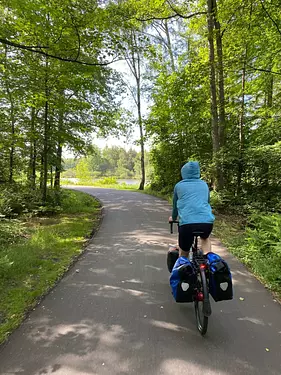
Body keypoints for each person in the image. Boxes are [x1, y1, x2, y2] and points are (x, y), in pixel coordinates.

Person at [169, 161, 215, 257]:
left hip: (187, 225)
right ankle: (209, 262)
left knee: (184, 252)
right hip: (206, 223)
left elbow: (175, 207)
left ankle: (184, 266)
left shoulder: (178, 186)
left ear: (183, 172)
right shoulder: (204, 185)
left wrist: (173, 218)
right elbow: (207, 202)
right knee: (205, 238)